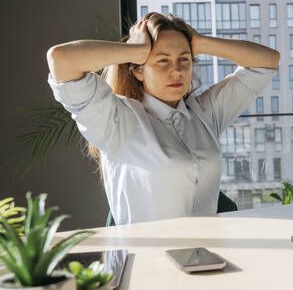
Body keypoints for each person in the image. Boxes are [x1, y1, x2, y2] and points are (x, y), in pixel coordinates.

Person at [46, 12, 280, 225]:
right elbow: (61, 59)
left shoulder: (204, 113)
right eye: (162, 60)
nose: (177, 71)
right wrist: (135, 51)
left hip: (208, 256)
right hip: (149, 261)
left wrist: (198, 42)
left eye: (184, 60)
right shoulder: (118, 120)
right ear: (137, 71)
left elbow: (267, 62)